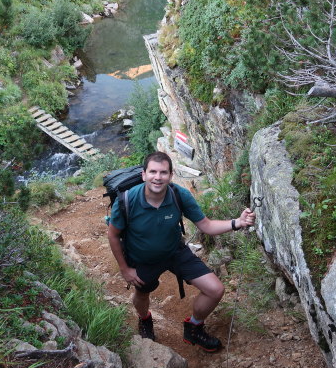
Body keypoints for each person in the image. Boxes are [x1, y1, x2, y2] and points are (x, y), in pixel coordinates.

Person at [107, 151, 256, 352]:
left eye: (163, 172)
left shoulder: (179, 195)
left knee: (215, 290)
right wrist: (125, 269)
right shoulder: (127, 200)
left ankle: (193, 328)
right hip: (142, 259)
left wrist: (237, 222)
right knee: (142, 294)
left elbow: (206, 225)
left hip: (175, 251)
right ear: (144, 175)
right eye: (153, 172)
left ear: (171, 175)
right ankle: (144, 319)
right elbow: (113, 235)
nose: (157, 177)